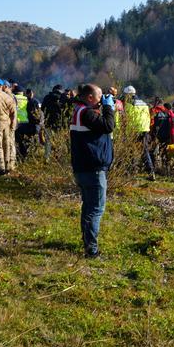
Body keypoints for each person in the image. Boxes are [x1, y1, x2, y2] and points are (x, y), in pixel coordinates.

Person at [70, 83, 115, 258]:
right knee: (96, 209)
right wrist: (109, 107)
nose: (100, 100)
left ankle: (87, 241)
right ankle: (91, 249)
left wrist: (103, 105)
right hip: (93, 169)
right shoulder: (87, 113)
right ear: (90, 98)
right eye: (99, 97)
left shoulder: (79, 110)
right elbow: (108, 126)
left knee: (88, 207)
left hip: (82, 167)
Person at [122, 86, 154, 180]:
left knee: (131, 150)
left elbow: (127, 119)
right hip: (144, 129)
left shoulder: (128, 105)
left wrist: (126, 132)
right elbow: (148, 117)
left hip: (134, 130)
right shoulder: (144, 103)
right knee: (145, 150)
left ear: (128, 95)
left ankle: (131, 171)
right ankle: (150, 171)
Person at [149, 97, 174, 170]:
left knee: (153, 151)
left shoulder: (154, 111)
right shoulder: (168, 113)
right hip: (166, 135)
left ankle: (153, 167)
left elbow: (151, 123)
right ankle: (165, 167)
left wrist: (151, 133)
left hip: (156, 135)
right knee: (164, 151)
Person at [41, 84, 65, 159]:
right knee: (59, 140)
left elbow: (42, 109)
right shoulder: (63, 97)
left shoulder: (47, 97)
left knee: (48, 141)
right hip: (59, 123)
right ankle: (57, 157)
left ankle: (47, 157)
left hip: (48, 122)